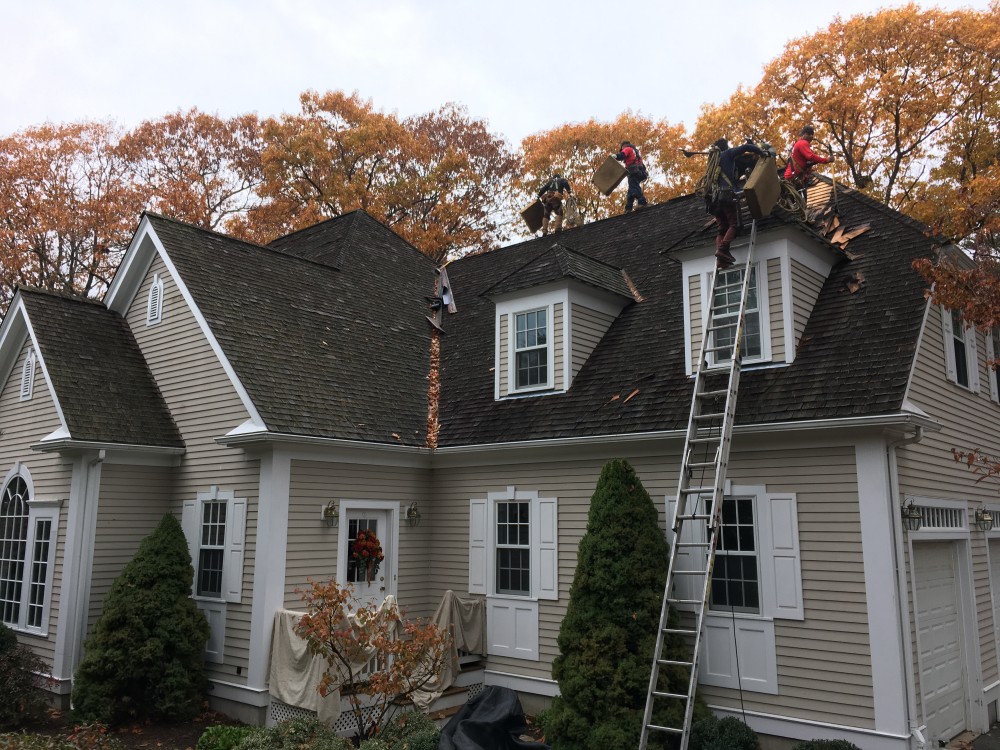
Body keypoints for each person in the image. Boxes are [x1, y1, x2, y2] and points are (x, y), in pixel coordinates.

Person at [707, 138, 764, 268]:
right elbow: (744, 148)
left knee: (722, 228)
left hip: (713, 201)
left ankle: (720, 259)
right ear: (726, 147)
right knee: (734, 224)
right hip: (726, 195)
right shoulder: (727, 154)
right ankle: (723, 249)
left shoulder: (712, 161)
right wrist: (760, 151)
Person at [615, 140, 648, 212]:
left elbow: (622, 155)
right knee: (631, 191)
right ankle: (628, 208)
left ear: (623, 146)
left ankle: (642, 203)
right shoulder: (636, 151)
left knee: (634, 188)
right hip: (640, 172)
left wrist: (615, 156)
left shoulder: (627, 148)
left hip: (633, 172)